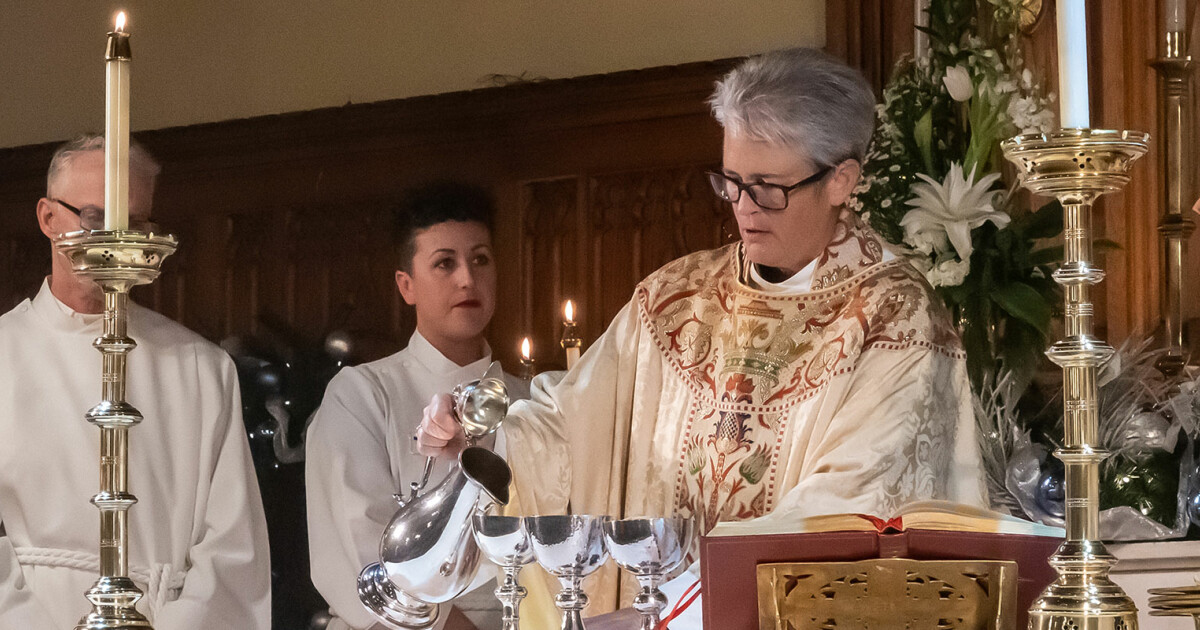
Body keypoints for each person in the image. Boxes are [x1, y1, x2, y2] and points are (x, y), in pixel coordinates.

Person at [417, 48, 988, 623]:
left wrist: (665, 617)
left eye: (768, 188)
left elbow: (847, 516)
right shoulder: (676, 298)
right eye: (731, 181)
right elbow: (570, 427)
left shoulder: (895, 318)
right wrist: (486, 447)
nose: (743, 209)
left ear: (841, 180)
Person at [0, 134, 271, 628]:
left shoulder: (200, 367)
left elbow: (233, 548)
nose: (114, 241)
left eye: (133, 224)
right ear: (47, 218)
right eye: (95, 219)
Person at [306, 183, 532, 630]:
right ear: (406, 285)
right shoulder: (362, 395)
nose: (467, 278)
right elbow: (363, 555)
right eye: (445, 263)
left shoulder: (530, 401)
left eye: (481, 259)